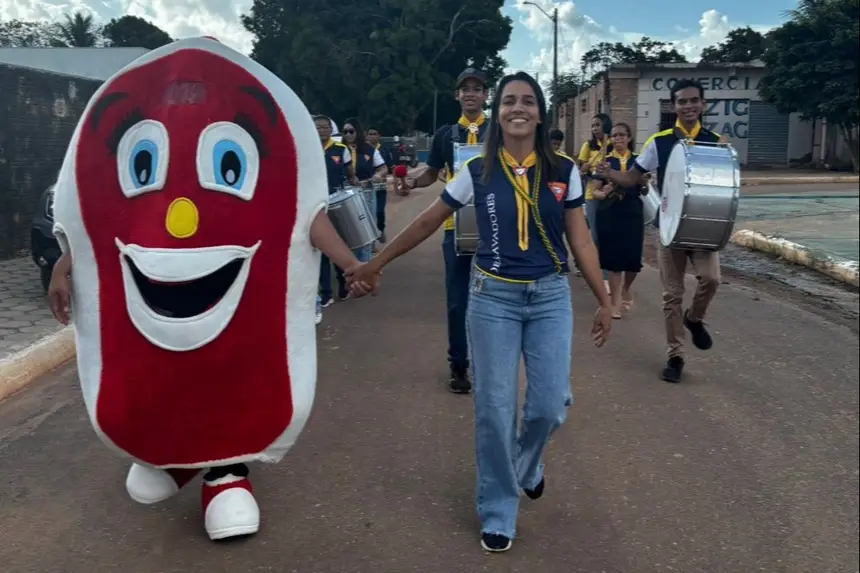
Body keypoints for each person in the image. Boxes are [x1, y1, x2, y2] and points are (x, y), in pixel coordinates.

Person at [45, 37, 374, 542]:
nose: (182, 217)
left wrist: (351, 264)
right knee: (162, 373)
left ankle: (224, 473)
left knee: (230, 374)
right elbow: (99, 224)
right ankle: (172, 459)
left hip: (239, 290)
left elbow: (305, 217)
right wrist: (62, 267)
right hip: (155, 278)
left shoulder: (280, 153)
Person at [348, 72, 612, 553]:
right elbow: (430, 220)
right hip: (492, 299)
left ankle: (528, 465)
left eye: (528, 101)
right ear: (498, 111)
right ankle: (498, 507)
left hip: (550, 297)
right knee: (494, 410)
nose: (518, 108)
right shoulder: (476, 170)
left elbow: (581, 240)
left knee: (549, 406)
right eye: (510, 100)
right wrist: (375, 264)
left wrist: (605, 300)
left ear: (540, 111)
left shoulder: (564, 169)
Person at [598, 78, 728, 383]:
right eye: (682, 101)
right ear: (674, 106)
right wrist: (610, 174)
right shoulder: (659, 142)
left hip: (703, 226)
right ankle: (676, 355)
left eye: (694, 100)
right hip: (671, 226)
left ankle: (694, 319)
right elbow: (633, 177)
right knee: (672, 294)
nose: (688, 106)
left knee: (711, 279)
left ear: (703, 104)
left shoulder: (716, 142)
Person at [399, 67, 491, 394]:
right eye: (465, 88)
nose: (470, 93)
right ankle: (459, 364)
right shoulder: (445, 135)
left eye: (477, 88)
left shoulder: (498, 131)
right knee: (457, 300)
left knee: (495, 298)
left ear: (485, 96)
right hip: (455, 225)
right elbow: (431, 174)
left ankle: (492, 362)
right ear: (457, 96)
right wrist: (412, 180)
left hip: (495, 226)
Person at [591, 123, 646, 318]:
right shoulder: (605, 162)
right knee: (614, 261)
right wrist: (602, 193)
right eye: (614, 135)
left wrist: (644, 182)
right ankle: (615, 302)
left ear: (629, 138)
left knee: (632, 259)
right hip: (610, 213)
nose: (617, 139)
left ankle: (626, 289)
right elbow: (593, 192)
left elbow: (646, 190)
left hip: (632, 212)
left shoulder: (639, 162)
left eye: (622, 135)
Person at [314, 114, 359, 320]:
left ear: (330, 129)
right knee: (321, 250)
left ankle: (342, 281)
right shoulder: (308, 148)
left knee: (338, 244)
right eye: (317, 127)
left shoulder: (341, 150)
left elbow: (350, 174)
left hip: (336, 202)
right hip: (315, 204)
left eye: (324, 127)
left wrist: (356, 184)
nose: (321, 130)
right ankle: (325, 293)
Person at [341, 117, 387, 262]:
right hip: (343, 194)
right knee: (346, 231)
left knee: (365, 231)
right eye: (345, 131)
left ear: (358, 132)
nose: (348, 134)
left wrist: (378, 175)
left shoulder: (369, 150)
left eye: (351, 131)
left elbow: (383, 168)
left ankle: (365, 263)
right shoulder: (338, 149)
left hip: (366, 192)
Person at [366, 126, 395, 243]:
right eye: (370, 134)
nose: (372, 136)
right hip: (366, 187)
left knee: (379, 212)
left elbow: (390, 168)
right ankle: (370, 239)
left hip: (380, 187)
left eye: (375, 134)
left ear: (379, 136)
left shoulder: (385, 150)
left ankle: (381, 229)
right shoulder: (362, 150)